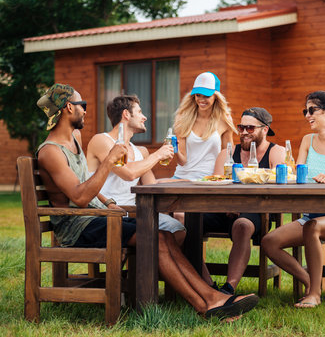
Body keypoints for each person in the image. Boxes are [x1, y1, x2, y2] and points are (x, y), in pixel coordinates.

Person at [35, 83, 258, 320]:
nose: (86, 111)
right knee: (154, 237)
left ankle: (213, 297)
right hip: (78, 227)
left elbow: (83, 182)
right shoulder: (51, 151)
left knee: (163, 235)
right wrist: (110, 161)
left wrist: (110, 203)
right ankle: (206, 304)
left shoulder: (76, 139)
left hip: (98, 216)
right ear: (69, 107)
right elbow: (79, 197)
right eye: (83, 106)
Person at [261, 91, 325, 308]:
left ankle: (314, 295)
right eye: (305, 111)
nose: (307, 115)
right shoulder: (307, 140)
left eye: (312, 110)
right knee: (269, 242)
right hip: (310, 216)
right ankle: (311, 281)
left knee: (312, 227)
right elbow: (300, 175)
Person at [203, 107, 286, 295]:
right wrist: (228, 205)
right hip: (224, 210)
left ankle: (228, 288)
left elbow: (280, 185)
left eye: (250, 128)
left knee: (242, 225)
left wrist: (242, 206)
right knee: (184, 221)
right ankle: (207, 285)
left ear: (265, 129)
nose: (244, 133)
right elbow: (216, 185)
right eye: (241, 128)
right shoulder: (227, 153)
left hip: (258, 212)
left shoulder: (276, 152)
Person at [86, 95, 186, 246]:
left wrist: (186, 181)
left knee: (177, 228)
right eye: (139, 112)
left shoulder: (141, 152)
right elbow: (128, 173)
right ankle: (150, 267)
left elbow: (151, 186)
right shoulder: (101, 141)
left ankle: (151, 268)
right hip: (108, 214)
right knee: (164, 232)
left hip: (134, 212)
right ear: (126, 114)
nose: (145, 117)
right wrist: (158, 154)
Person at [171, 71, 236, 181]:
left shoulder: (225, 120)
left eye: (206, 96)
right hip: (182, 177)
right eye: (198, 95)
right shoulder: (182, 118)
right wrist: (174, 149)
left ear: (216, 96)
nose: (201, 99)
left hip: (210, 180)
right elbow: (182, 161)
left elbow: (228, 156)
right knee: (153, 185)